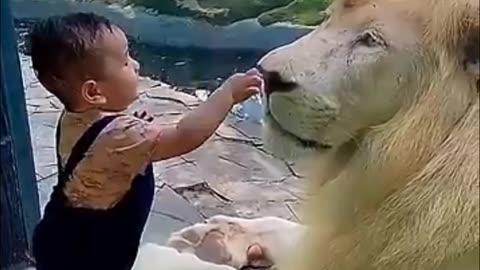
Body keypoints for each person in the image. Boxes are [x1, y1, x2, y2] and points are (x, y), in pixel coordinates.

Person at [28, 12, 262, 270]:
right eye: (125, 61)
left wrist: (136, 131)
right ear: (94, 92)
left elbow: (100, 153)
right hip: (89, 257)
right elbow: (185, 135)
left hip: (58, 236)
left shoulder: (74, 116)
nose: (136, 65)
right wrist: (226, 94)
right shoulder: (122, 135)